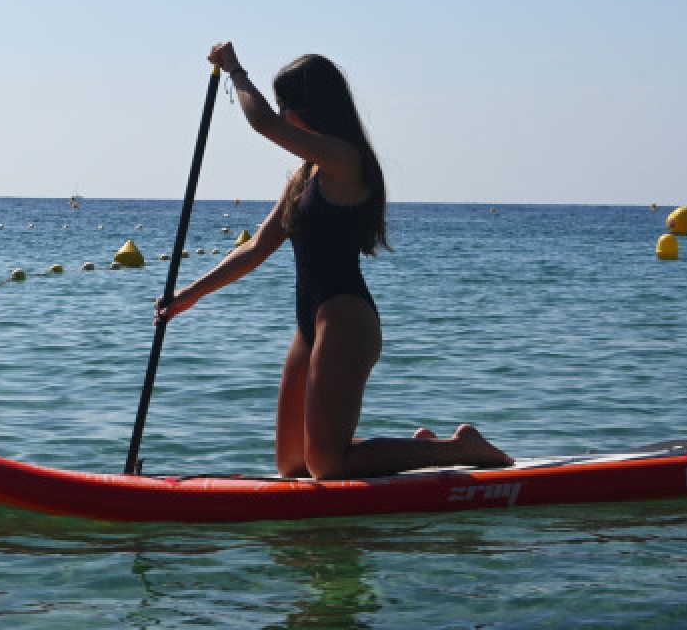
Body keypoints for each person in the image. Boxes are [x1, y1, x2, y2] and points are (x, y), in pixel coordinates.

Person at [155, 42, 513, 480]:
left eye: (287, 106)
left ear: (309, 108)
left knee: (326, 466)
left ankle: (460, 448)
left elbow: (261, 122)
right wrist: (187, 295)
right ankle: (418, 450)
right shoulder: (304, 174)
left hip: (345, 320)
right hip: (309, 324)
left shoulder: (347, 160)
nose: (284, 117)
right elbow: (257, 247)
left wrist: (236, 72)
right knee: (293, 465)